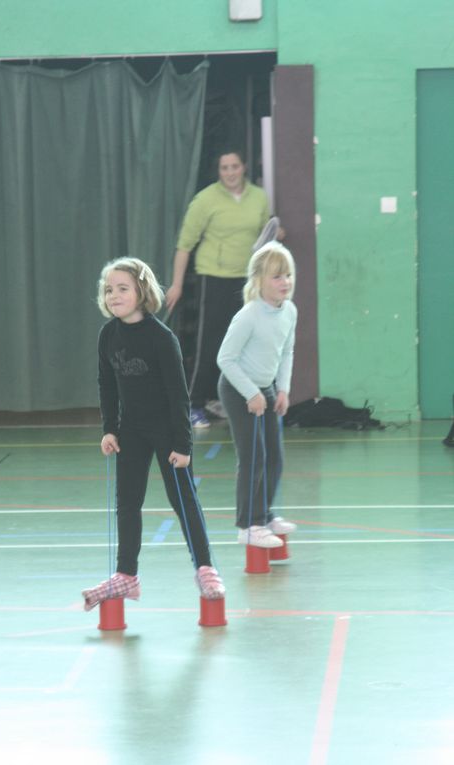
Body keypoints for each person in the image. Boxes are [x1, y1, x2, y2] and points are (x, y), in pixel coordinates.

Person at [82, 256, 225, 611]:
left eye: (122, 289)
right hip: (131, 431)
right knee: (127, 503)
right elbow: (107, 385)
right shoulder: (108, 335)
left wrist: (183, 445)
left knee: (184, 501)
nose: (114, 295)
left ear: (142, 291)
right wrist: (109, 429)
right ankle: (126, 576)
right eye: (109, 289)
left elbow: (179, 396)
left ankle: (205, 568)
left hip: (167, 432)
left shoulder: (162, 338)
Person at [166, 149, 270, 429]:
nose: (230, 172)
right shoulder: (205, 200)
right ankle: (194, 405)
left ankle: (224, 399)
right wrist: (176, 284)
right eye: (224, 168)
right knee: (210, 343)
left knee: (243, 344)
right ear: (219, 171)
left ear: (244, 167)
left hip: (248, 282)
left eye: (234, 166)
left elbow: (265, 235)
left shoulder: (259, 198)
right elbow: (185, 244)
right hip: (214, 278)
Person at [217, 241, 298, 549]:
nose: (285, 282)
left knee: (275, 457)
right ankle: (248, 525)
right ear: (259, 281)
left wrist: (283, 390)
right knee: (254, 457)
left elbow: (286, 351)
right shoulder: (249, 316)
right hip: (238, 390)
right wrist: (251, 393)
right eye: (277, 276)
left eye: (288, 275)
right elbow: (225, 359)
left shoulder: (289, 310)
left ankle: (264, 515)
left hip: (265, 390)